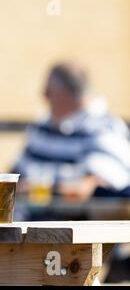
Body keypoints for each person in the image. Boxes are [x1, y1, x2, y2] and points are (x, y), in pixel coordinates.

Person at [13, 61, 130, 202]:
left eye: (50, 91)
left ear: (69, 94)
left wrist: (46, 189)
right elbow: (16, 172)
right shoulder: (43, 124)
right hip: (31, 211)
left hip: (78, 218)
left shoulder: (104, 128)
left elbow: (96, 183)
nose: (44, 96)